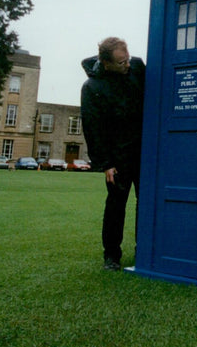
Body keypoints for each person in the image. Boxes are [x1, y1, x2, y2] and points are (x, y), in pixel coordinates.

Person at [80, 37, 145, 271]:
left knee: (145, 203)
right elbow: (92, 129)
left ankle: (144, 250)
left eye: (127, 59)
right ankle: (111, 256)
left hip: (144, 152)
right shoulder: (92, 88)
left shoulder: (137, 68)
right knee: (116, 205)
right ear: (105, 63)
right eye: (120, 63)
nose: (126, 65)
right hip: (116, 159)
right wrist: (105, 163)